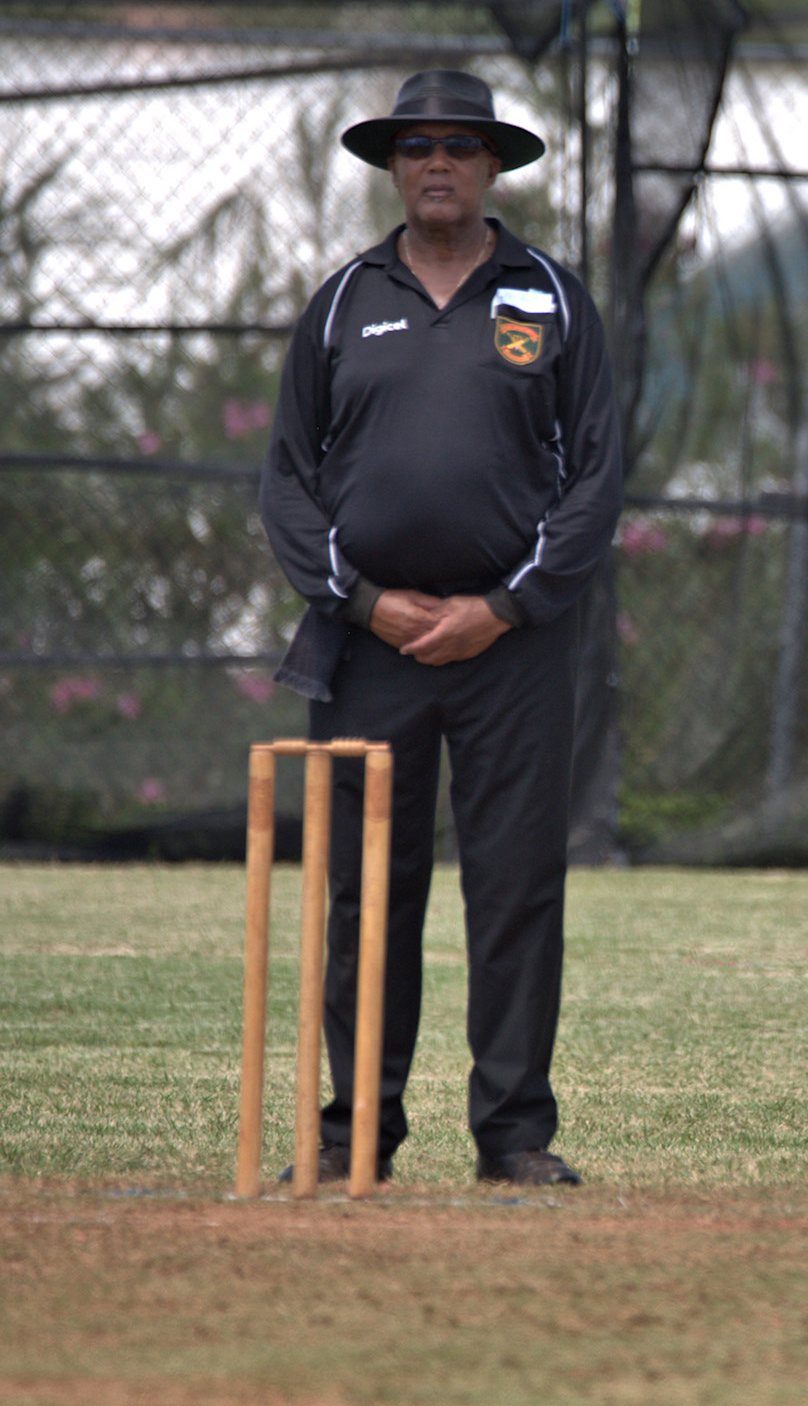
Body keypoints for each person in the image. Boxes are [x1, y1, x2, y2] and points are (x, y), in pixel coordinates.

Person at [260, 69, 622, 1182]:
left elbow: (597, 477)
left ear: (494, 165)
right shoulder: (339, 301)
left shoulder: (550, 297)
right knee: (367, 889)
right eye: (416, 146)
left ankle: (513, 1138)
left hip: (513, 645)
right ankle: (353, 1132)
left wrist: (502, 605)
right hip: (370, 647)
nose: (437, 164)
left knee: (514, 885)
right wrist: (368, 601)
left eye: (459, 146)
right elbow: (287, 482)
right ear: (390, 165)